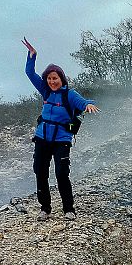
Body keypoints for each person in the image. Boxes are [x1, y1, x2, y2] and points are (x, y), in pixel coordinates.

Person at [22, 37, 98, 221]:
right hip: (42, 138)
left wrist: (89, 105)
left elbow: (85, 102)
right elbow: (29, 73)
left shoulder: (69, 95)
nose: (51, 81)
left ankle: (68, 209)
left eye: (54, 78)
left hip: (62, 139)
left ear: (61, 78)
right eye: (49, 78)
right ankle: (45, 208)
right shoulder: (45, 91)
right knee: (40, 172)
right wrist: (32, 56)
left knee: (61, 174)